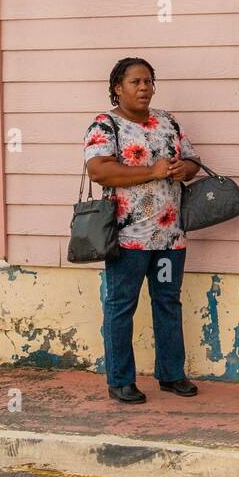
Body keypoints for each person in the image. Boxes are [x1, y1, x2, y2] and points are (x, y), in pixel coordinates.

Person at [84, 58, 202, 403]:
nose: (144, 87)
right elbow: (99, 171)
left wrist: (184, 169)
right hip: (127, 238)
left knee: (168, 303)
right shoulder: (105, 126)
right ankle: (120, 380)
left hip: (170, 237)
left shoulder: (167, 121)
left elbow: (194, 160)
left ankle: (171, 374)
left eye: (148, 81)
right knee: (121, 306)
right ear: (118, 88)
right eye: (135, 82)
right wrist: (153, 171)